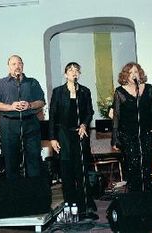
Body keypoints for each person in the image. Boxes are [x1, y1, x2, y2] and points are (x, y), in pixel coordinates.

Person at [49, 62, 98, 220]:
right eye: (70, 70)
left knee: (81, 171)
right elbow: (53, 117)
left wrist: (84, 124)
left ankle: (86, 206)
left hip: (80, 135)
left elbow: (90, 112)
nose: (74, 73)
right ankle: (70, 204)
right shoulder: (58, 92)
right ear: (65, 74)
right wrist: (52, 138)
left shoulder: (84, 91)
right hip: (63, 135)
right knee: (67, 171)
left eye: (77, 70)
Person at [0, 55, 45, 179]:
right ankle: (15, 192)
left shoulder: (32, 82)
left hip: (30, 124)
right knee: (11, 160)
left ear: (23, 65)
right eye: (14, 64)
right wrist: (11, 107)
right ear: (9, 67)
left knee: (33, 159)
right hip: (9, 125)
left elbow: (41, 101)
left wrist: (29, 105)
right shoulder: (1, 83)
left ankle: (34, 191)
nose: (17, 66)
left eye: (19, 63)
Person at [111, 62, 152, 192]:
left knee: (147, 164)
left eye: (136, 72)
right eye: (130, 72)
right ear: (125, 76)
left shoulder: (148, 88)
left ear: (140, 74)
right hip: (128, 135)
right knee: (133, 166)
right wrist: (115, 138)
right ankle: (135, 198)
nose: (133, 75)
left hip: (145, 133)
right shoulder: (120, 91)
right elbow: (116, 116)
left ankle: (148, 195)